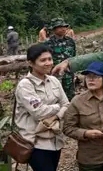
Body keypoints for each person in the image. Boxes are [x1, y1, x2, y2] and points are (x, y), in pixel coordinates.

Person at [15, 43, 70, 171]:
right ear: (31, 63)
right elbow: (39, 112)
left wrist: (55, 115)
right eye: (43, 60)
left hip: (56, 140)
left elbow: (67, 104)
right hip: (36, 143)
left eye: (50, 59)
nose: (48, 63)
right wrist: (58, 108)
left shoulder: (54, 80)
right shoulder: (25, 85)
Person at [44, 18, 77, 100]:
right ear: (54, 29)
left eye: (65, 27)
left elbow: (73, 56)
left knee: (70, 95)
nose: (63, 29)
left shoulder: (70, 41)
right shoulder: (48, 43)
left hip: (69, 73)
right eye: (60, 27)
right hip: (54, 74)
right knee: (55, 96)